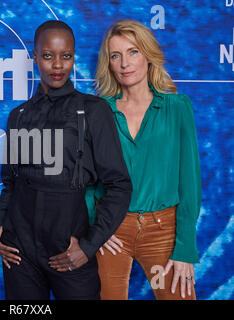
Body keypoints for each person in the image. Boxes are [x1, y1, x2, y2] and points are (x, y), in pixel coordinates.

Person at [0, 20, 132, 300]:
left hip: (68, 248)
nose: (58, 65)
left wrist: (88, 246)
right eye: (48, 56)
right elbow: (12, 185)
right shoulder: (19, 116)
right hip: (20, 253)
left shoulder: (93, 110)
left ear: (74, 56)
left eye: (66, 56)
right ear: (35, 56)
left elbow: (120, 185)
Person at [87, 19, 201, 300]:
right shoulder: (99, 112)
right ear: (109, 64)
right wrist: (95, 225)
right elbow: (86, 178)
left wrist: (185, 248)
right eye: (116, 55)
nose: (125, 63)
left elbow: (190, 182)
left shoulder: (177, 108)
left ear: (148, 55)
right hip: (112, 230)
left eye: (133, 51)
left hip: (164, 230)